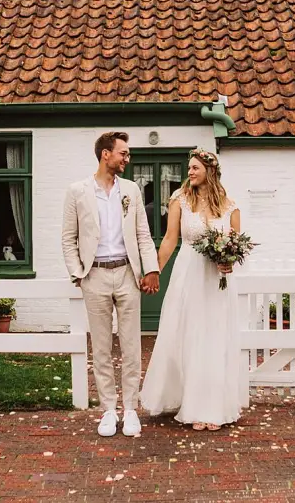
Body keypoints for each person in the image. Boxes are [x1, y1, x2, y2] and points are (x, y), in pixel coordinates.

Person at [61, 131, 160, 437]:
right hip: (96, 276)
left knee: (132, 345)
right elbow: (69, 238)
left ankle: (130, 409)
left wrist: (151, 269)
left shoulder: (131, 190)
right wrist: (79, 274)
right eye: (123, 153)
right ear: (106, 154)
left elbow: (143, 234)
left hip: (127, 275)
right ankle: (108, 410)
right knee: (101, 347)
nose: (127, 159)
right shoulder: (77, 191)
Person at [140, 147, 243, 431]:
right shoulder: (180, 200)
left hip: (216, 282)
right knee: (187, 335)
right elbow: (170, 240)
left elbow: (236, 247)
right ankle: (190, 401)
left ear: (210, 171)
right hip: (188, 275)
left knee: (214, 338)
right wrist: (153, 271)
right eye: (189, 168)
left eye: (195, 167)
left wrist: (229, 263)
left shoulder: (231, 207)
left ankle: (212, 407)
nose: (190, 172)